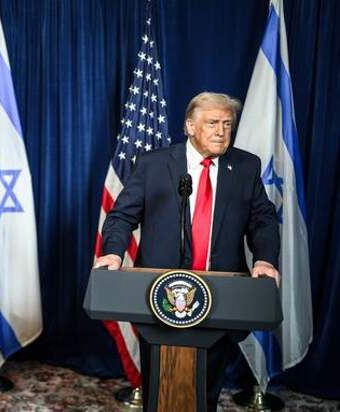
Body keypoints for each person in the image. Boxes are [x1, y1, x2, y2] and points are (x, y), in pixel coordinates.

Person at [95, 92, 280, 411]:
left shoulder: (245, 166)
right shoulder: (154, 164)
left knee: (207, 386)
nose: (221, 131)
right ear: (190, 126)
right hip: (159, 294)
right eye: (212, 123)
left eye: (227, 124)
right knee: (159, 385)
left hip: (220, 296)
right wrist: (113, 252)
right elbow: (122, 215)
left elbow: (262, 219)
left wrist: (264, 259)